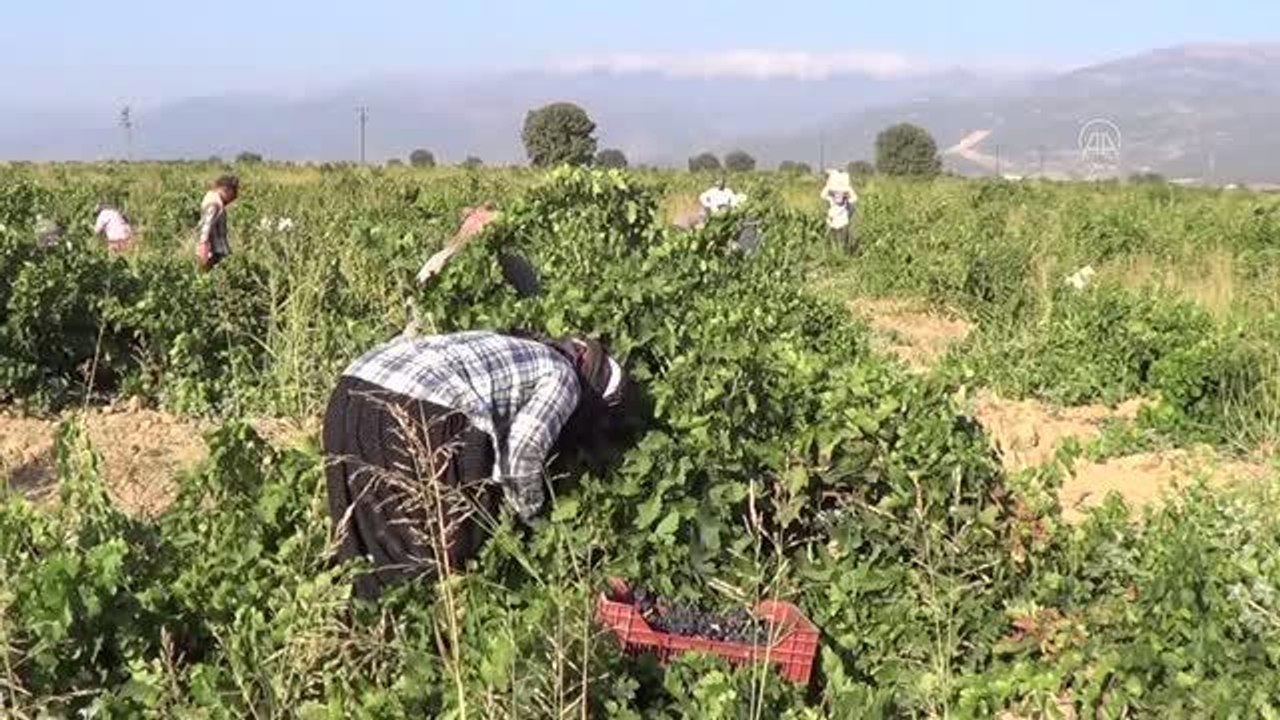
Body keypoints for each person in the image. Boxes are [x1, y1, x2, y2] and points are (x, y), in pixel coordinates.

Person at [323, 329, 631, 601]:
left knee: (364, 536)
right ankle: (425, 638)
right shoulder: (563, 376)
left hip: (352, 388)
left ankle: (365, 626)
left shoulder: (513, 344)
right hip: (422, 407)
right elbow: (523, 452)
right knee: (435, 552)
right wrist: (530, 518)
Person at [196, 175, 239, 270]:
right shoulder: (214, 203)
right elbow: (206, 225)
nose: (234, 197)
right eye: (233, 192)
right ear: (226, 189)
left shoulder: (211, 197)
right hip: (215, 251)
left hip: (215, 249)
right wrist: (203, 246)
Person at [821, 170, 858, 252]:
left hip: (843, 219)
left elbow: (854, 198)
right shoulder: (831, 197)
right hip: (832, 219)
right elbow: (823, 195)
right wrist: (829, 185)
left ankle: (842, 252)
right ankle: (834, 251)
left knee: (843, 238)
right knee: (832, 237)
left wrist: (848, 191)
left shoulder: (846, 197)